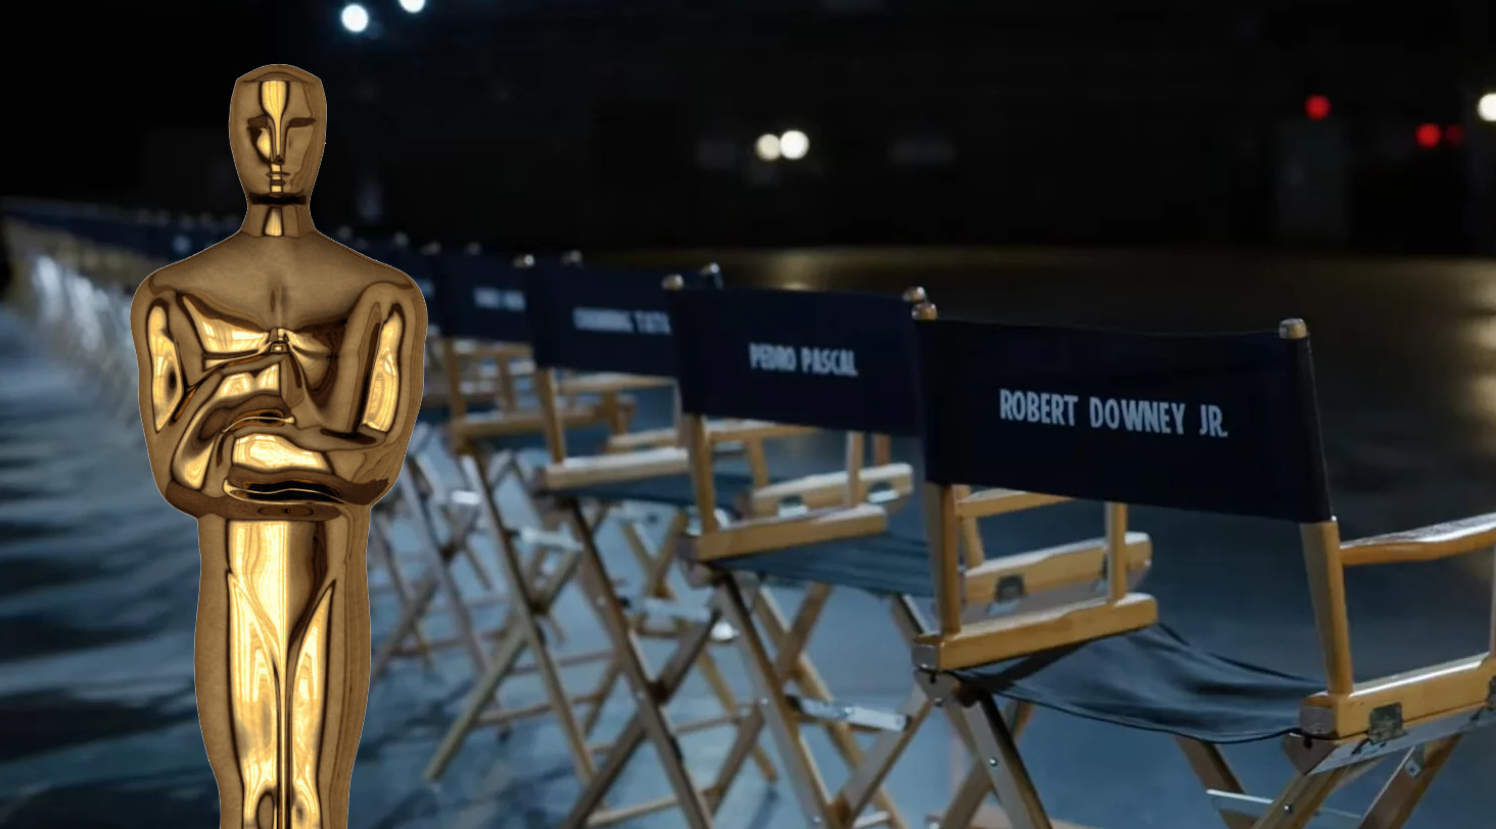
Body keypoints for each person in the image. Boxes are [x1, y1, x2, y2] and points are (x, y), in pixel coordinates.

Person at [129, 64, 426, 829]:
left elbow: (372, 470)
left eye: (297, 128)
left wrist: (244, 444)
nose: (276, 149)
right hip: (237, 577)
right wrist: (277, 411)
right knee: (252, 795)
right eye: (257, 128)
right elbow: (178, 475)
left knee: (317, 798)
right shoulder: (175, 295)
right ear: (232, 138)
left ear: (322, 138)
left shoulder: (378, 293)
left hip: (327, 570)